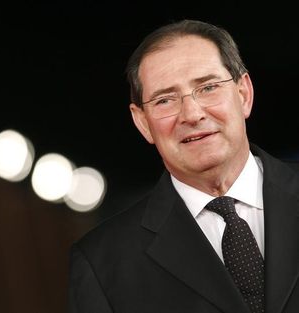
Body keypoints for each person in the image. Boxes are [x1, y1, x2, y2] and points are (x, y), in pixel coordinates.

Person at [67, 19, 299, 313]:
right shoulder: (102, 263)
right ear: (142, 123)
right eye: (165, 100)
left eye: (208, 87)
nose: (191, 114)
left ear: (243, 94)